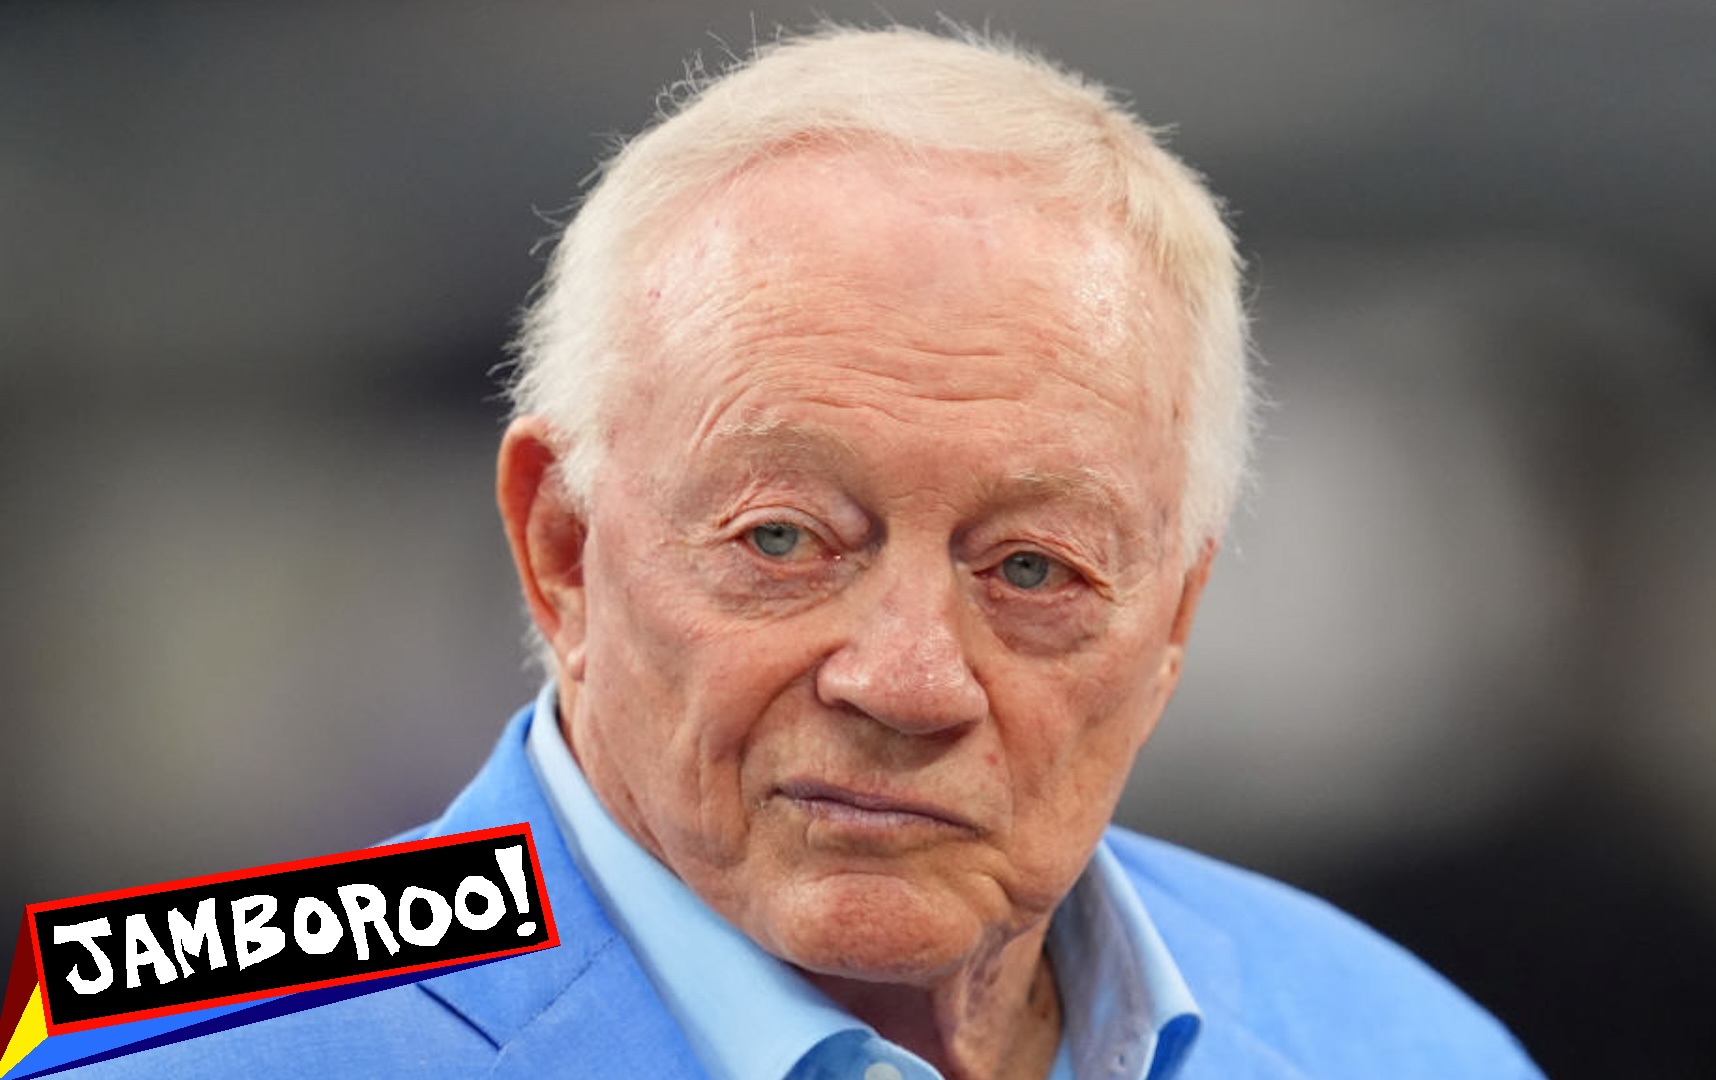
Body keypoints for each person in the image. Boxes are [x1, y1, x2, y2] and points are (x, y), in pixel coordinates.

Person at [77, 25, 1543, 1080]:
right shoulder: (164, 1027)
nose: (908, 681)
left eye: (1032, 569)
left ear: (1175, 621)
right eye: (783, 539)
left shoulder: (1398, 1038)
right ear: (563, 553)